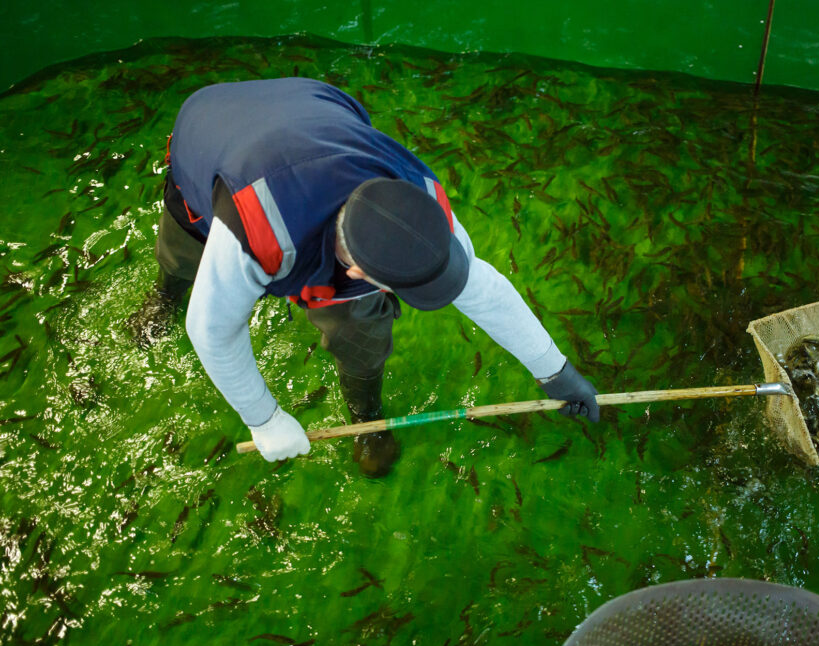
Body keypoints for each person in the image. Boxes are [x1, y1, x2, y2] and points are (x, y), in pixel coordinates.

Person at [131, 77, 599, 477]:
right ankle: (164, 296)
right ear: (356, 269)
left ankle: (367, 418)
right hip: (210, 140)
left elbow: (483, 288)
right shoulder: (255, 231)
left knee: (362, 327)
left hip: (314, 105)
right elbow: (211, 329)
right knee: (182, 262)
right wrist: (264, 418)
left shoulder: (417, 203)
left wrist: (555, 372)